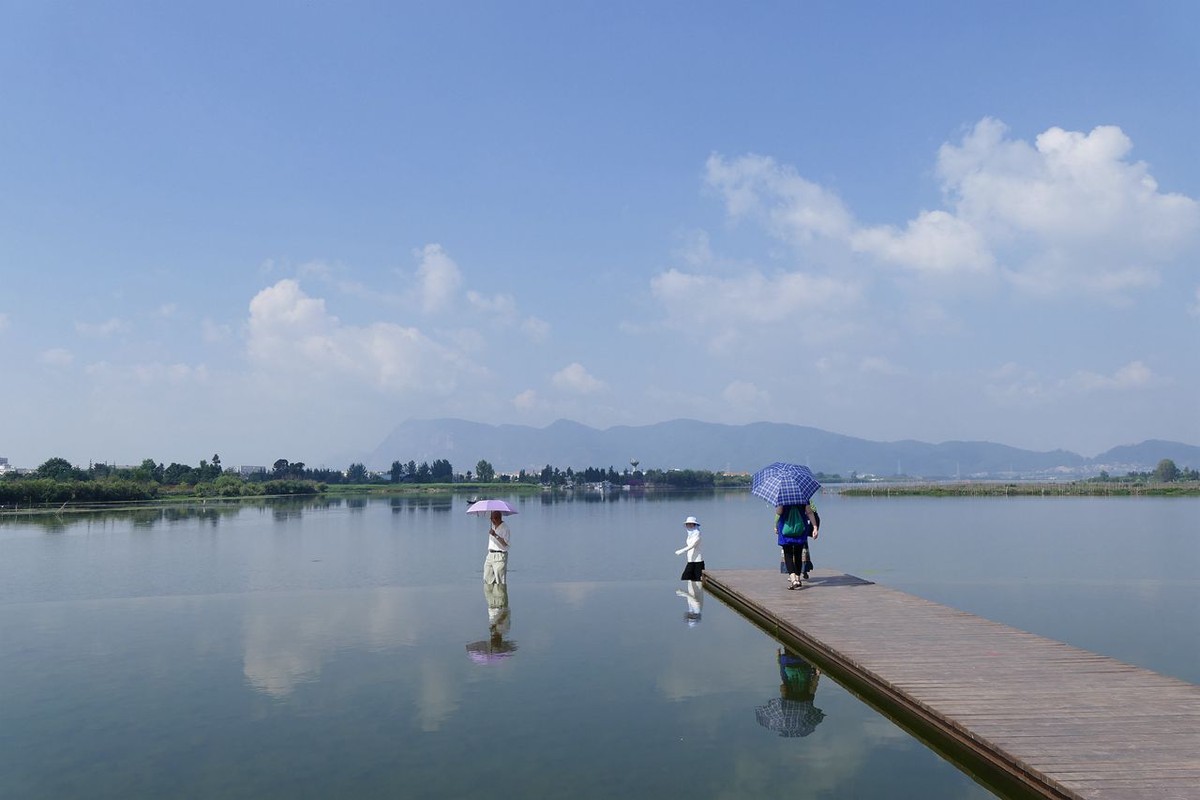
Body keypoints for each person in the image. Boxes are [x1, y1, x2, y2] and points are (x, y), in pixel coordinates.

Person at [776, 503, 818, 590]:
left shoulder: (783, 497)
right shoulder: (802, 498)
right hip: (800, 528)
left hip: (785, 529)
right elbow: (809, 512)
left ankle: (793, 580)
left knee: (788, 554)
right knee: (798, 554)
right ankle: (798, 579)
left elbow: (779, 512)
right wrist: (815, 527)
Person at [483, 510, 510, 585]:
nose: (491, 520)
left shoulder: (505, 528)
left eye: (493, 518)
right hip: (490, 555)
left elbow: (505, 544)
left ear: (498, 518)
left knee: (500, 581)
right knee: (487, 579)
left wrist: (495, 535)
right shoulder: (492, 526)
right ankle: (490, 596)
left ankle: (501, 596)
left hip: (500, 556)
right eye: (491, 518)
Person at [675, 515, 705, 581]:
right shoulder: (690, 535)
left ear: (694, 524)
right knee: (686, 578)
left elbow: (693, 545)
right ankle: (688, 591)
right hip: (690, 559)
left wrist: (682, 551)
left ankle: (696, 591)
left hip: (698, 561)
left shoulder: (697, 534)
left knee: (697, 580)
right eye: (688, 524)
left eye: (691, 524)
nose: (689, 526)